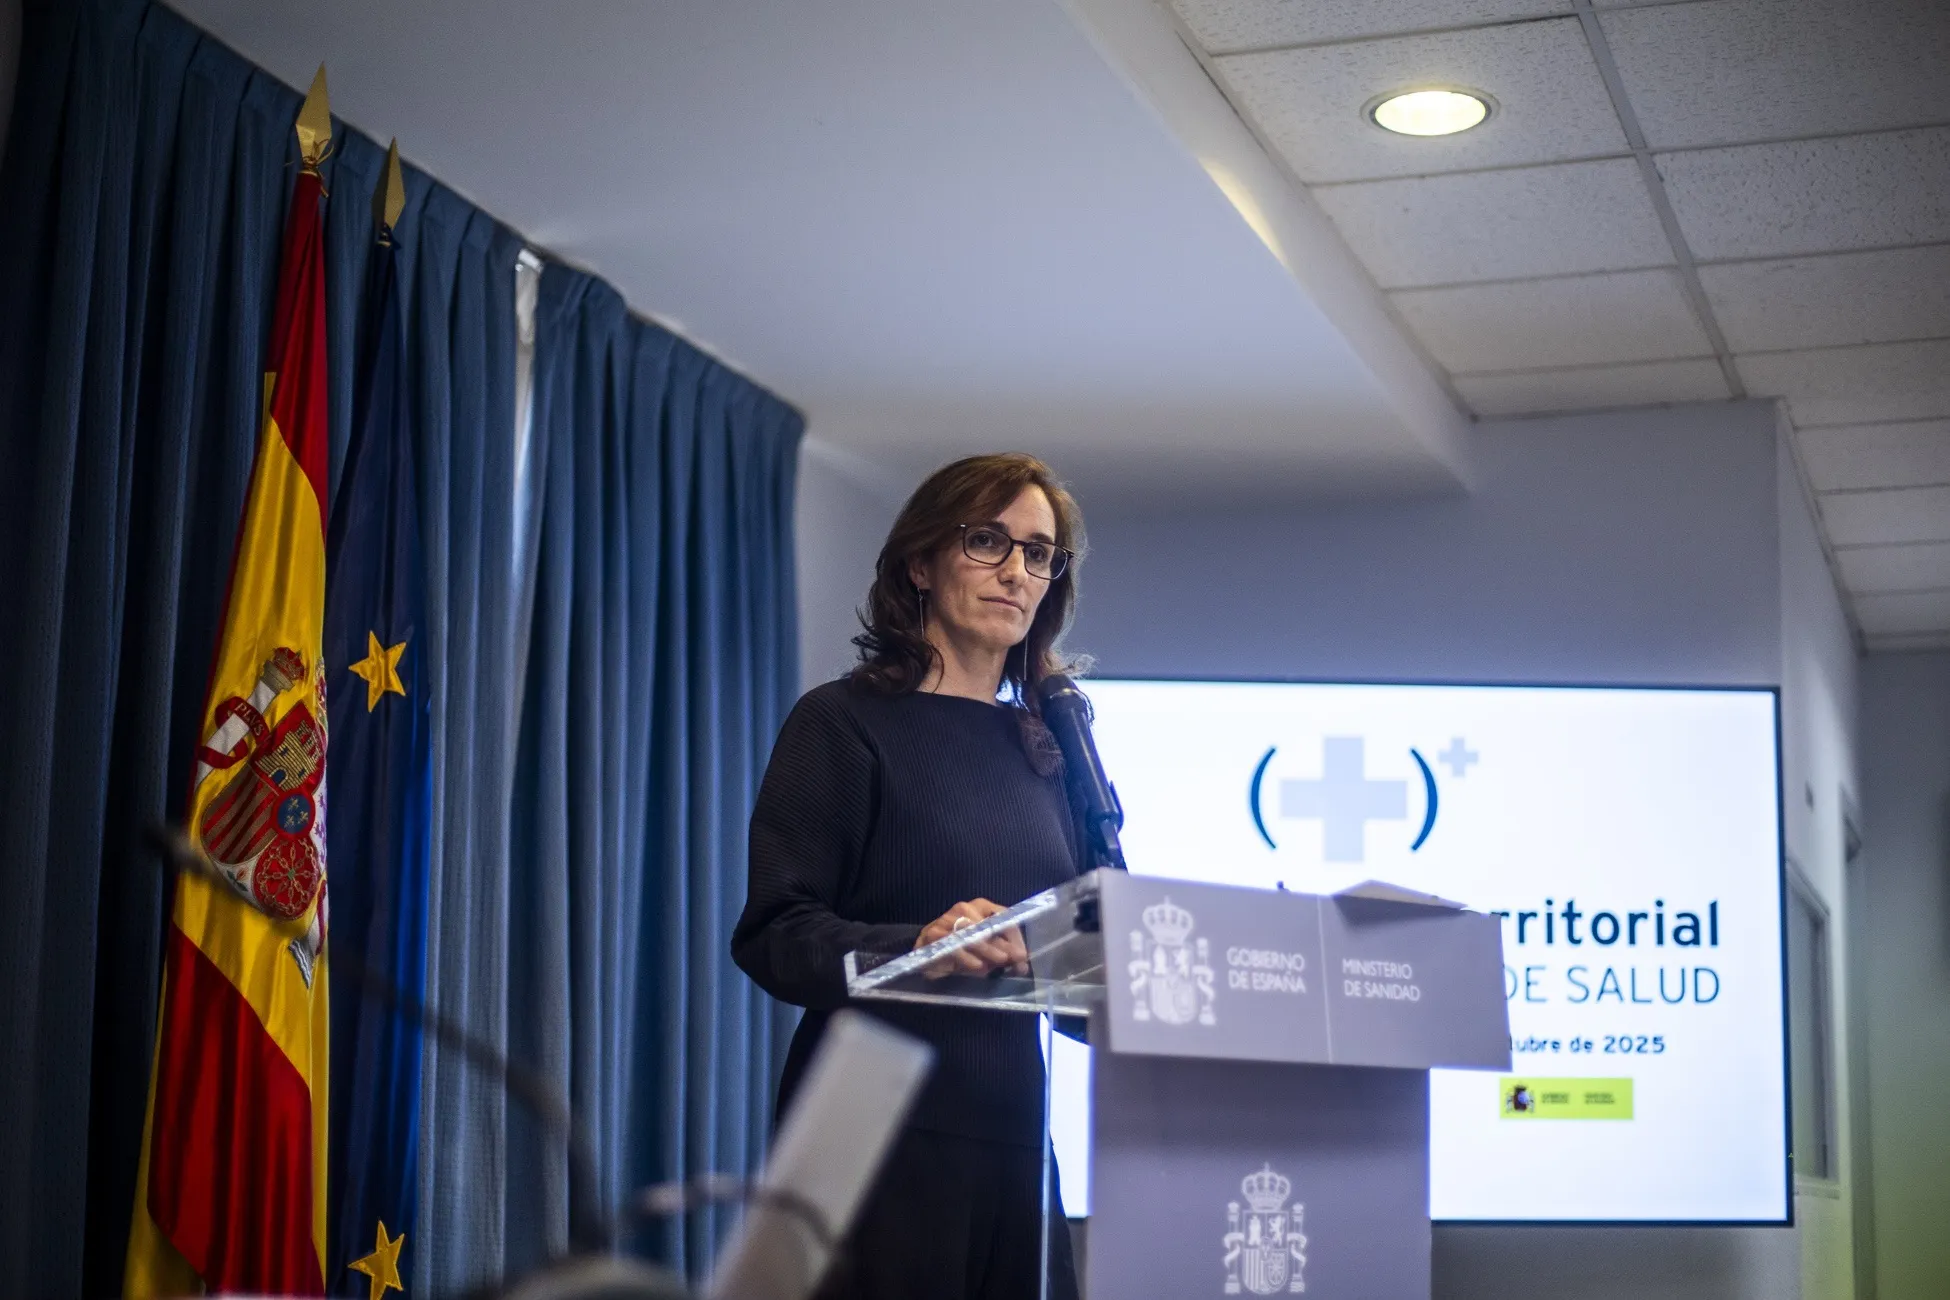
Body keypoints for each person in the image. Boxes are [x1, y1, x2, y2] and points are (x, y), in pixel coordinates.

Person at [731, 452, 1088, 1300]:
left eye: (1038, 553)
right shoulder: (842, 723)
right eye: (987, 541)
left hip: (1013, 1136)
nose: (1017, 571)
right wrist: (918, 945)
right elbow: (775, 935)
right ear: (920, 564)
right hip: (869, 1136)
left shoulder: (1051, 747)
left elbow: (1093, 959)